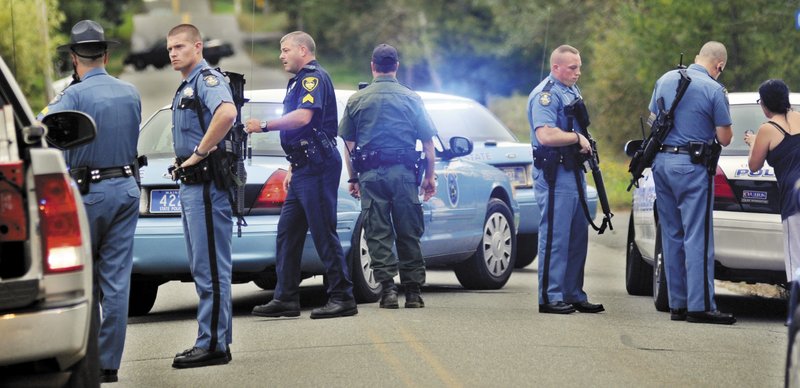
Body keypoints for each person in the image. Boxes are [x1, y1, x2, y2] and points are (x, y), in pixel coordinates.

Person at [39, 20, 142, 383]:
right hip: (127, 189)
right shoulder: (131, 92)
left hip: (88, 194)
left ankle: (88, 360)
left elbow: (38, 132)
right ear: (106, 55)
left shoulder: (72, 95)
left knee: (85, 281)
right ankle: (109, 364)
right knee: (117, 281)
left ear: (73, 57)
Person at [245, 31, 357, 319]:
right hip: (303, 165)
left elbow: (303, 118)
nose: (281, 56)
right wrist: (293, 166)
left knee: (323, 231)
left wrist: (264, 125)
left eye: (286, 50)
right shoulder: (298, 81)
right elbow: (306, 129)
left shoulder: (312, 78)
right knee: (288, 232)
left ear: (303, 50)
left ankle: (342, 297)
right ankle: (286, 299)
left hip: (317, 166)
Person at [338, 44, 437, 309]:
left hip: (371, 175)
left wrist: (353, 178)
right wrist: (430, 177)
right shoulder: (411, 98)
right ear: (396, 66)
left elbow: (349, 145)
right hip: (404, 174)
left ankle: (388, 291)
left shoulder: (356, 99)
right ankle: (413, 293)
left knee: (377, 232)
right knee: (408, 230)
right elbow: (428, 144)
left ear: (372, 66)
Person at [167, 23, 237, 368]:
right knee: (202, 266)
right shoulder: (187, 85)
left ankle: (211, 344)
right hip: (191, 185)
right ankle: (215, 339)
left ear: (198, 47)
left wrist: (198, 153)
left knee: (211, 268)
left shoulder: (207, 80)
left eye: (180, 47)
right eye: (169, 49)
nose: (173, 53)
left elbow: (227, 112)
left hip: (207, 185)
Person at [650, 41, 734, 324]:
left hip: (661, 164)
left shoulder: (664, 79)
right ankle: (700, 307)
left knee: (671, 233)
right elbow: (724, 138)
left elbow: (654, 118)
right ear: (718, 65)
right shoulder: (713, 89)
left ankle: (678, 304)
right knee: (697, 235)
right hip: (692, 167)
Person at [527, 44, 604, 315]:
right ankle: (550, 296)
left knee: (576, 237)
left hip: (573, 171)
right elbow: (545, 135)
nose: (578, 72)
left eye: (579, 67)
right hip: (554, 174)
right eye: (572, 68)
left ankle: (572, 293)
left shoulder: (570, 89)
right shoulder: (545, 96)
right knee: (555, 236)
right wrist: (576, 138)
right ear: (556, 67)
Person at [745, 79, 800, 291]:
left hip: (793, 199)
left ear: (765, 104)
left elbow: (754, 165)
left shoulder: (767, 129)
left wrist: (753, 143)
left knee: (795, 257)